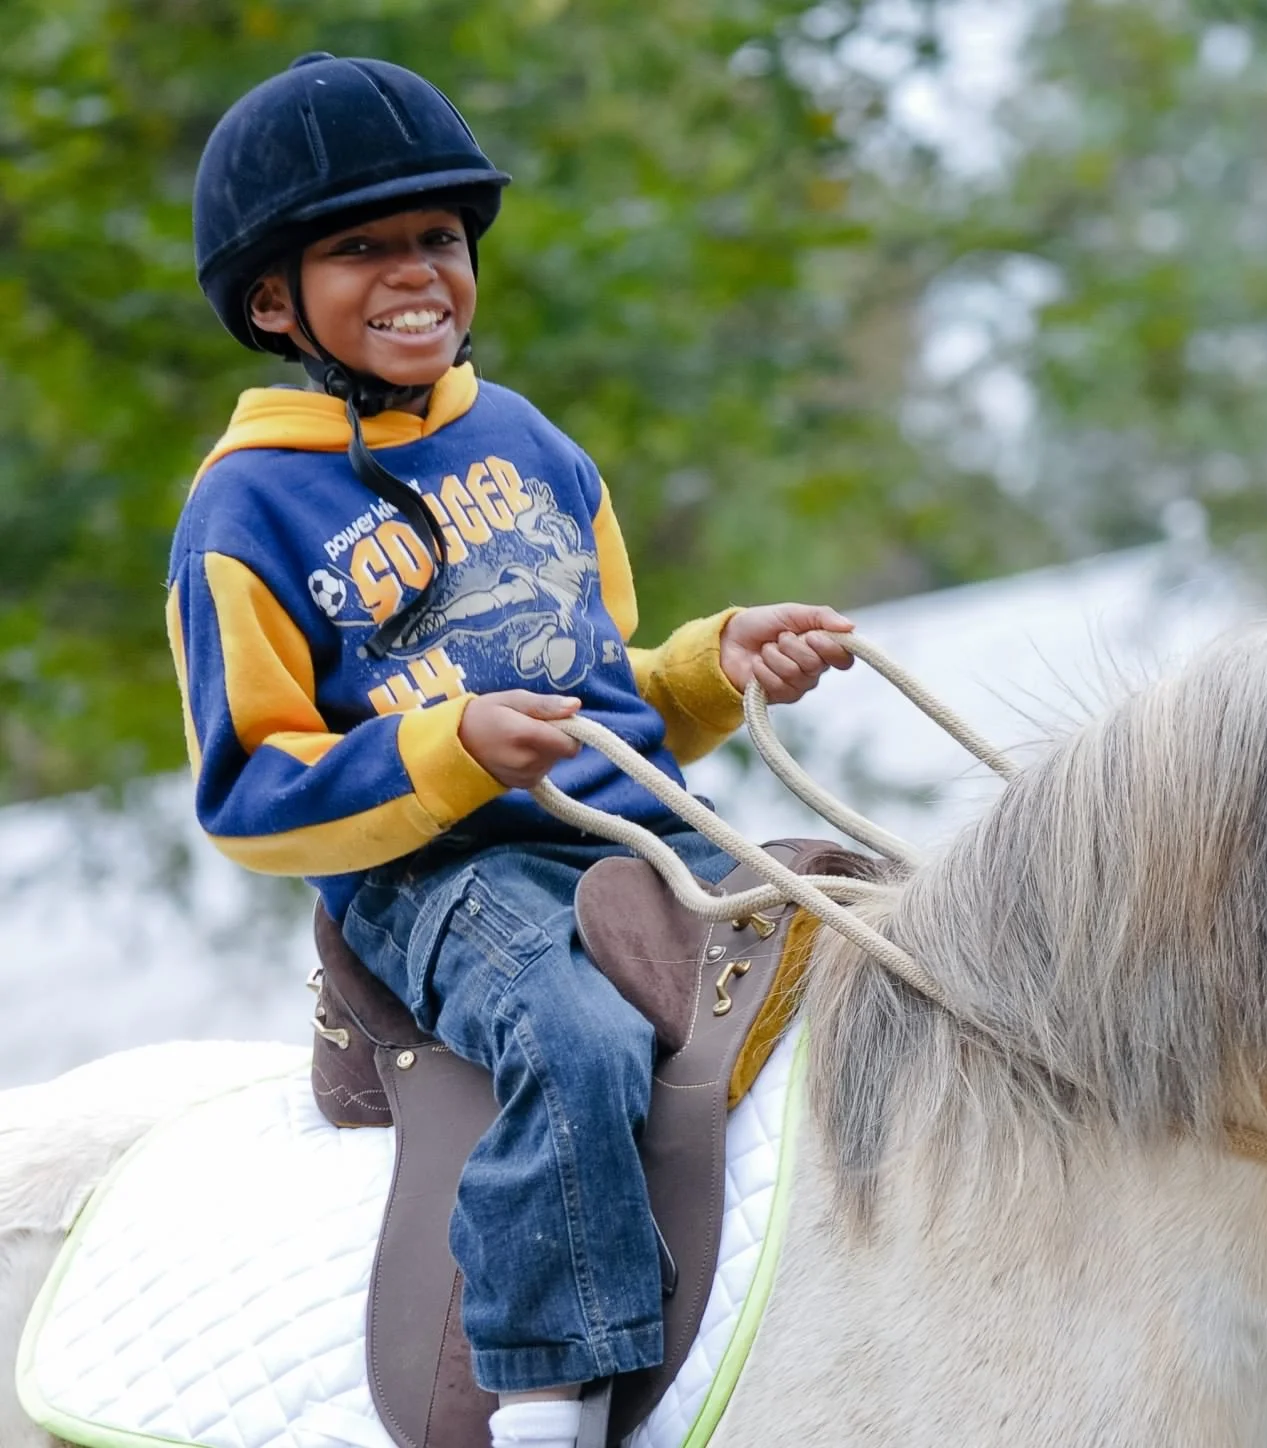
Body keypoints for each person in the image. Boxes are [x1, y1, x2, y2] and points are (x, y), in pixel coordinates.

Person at [171, 52, 852, 1448]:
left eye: (438, 239)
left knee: (883, 939)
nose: (416, 270)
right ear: (271, 299)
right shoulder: (244, 512)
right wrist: (450, 750)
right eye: (361, 247)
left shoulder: (533, 441)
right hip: (440, 878)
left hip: (632, 834)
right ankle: (544, 1402)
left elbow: (608, 690)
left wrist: (716, 663)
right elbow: (249, 794)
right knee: (577, 1036)